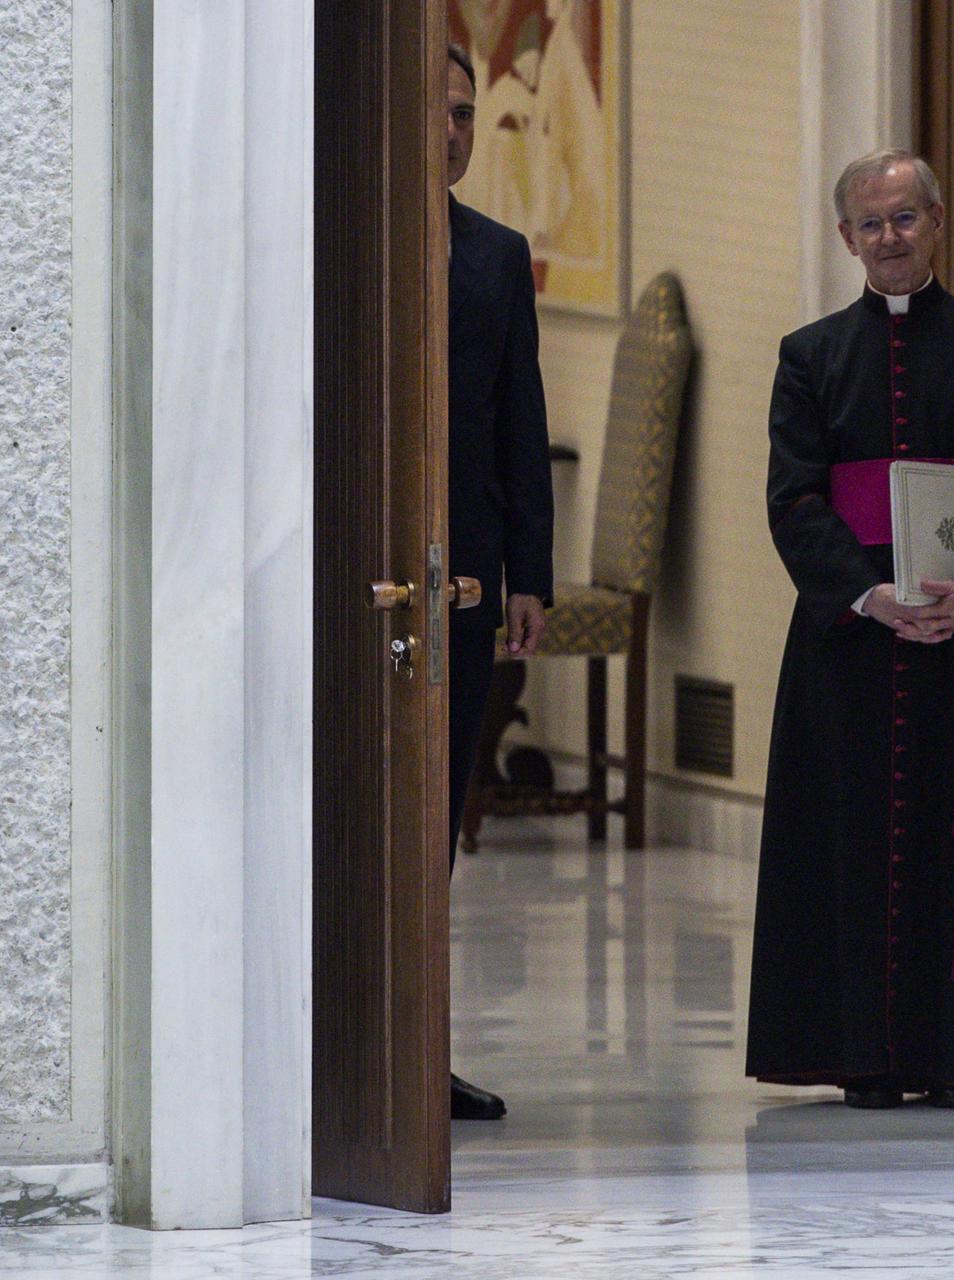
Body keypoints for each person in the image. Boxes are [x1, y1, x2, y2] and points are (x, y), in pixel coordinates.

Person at [746, 150, 954, 1109]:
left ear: (937, 219)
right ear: (846, 238)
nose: (889, 238)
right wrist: (867, 595)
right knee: (848, 843)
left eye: (905, 219)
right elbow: (793, 499)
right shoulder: (809, 356)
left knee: (953, 842)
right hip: (849, 644)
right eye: (870, 224)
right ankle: (864, 1056)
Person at [445, 42, 554, 1121]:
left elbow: (522, 424)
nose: (454, 132)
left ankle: (416, 1052)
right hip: (369, 576)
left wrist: (533, 575)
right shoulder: (346, 234)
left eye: (468, 115)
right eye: (436, 111)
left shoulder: (495, 253)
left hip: (471, 578)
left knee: (436, 818)